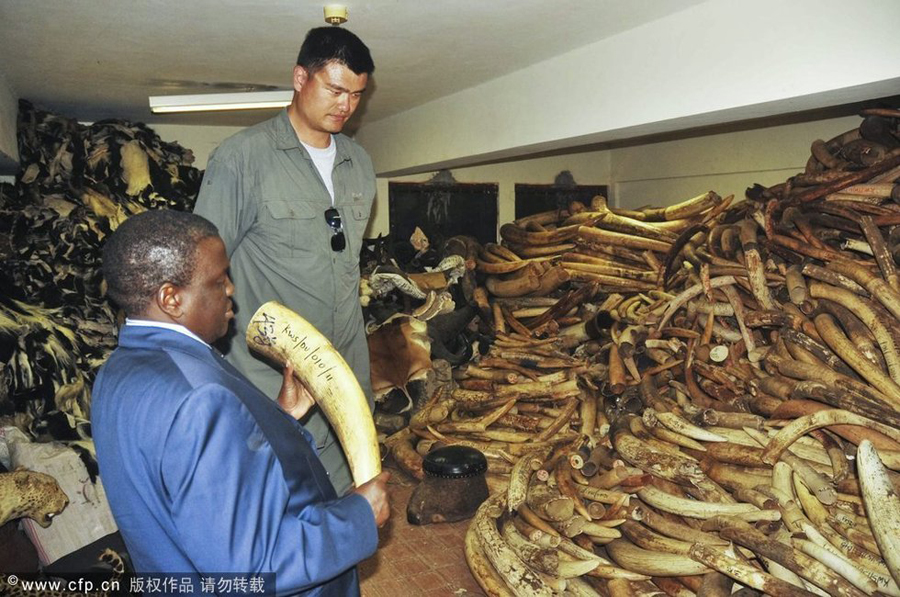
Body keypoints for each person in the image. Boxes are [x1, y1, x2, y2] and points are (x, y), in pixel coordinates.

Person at [92, 210, 390, 595]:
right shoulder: (200, 398)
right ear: (171, 298)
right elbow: (252, 568)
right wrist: (358, 516)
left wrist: (280, 417)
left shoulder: (116, 372)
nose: (231, 289)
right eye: (218, 281)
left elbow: (184, 479)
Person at [193, 26, 376, 497]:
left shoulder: (359, 164)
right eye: (335, 89)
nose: (346, 105)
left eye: (356, 94)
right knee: (279, 504)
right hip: (272, 375)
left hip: (345, 364)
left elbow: (345, 262)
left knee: (345, 496)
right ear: (300, 77)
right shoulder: (241, 159)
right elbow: (203, 269)